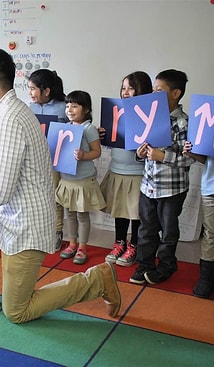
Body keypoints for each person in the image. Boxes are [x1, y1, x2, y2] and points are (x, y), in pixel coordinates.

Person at [0, 48, 120, 324]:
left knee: (17, 311)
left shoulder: (10, 118)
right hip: (7, 214)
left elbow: (1, 189)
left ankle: (96, 280)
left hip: (26, 225)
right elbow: (0, 180)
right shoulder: (4, 112)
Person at [131, 69, 195, 285]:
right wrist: (141, 154)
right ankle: (145, 265)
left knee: (168, 231)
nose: (153, 94)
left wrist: (162, 156)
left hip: (172, 188)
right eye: (153, 89)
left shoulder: (185, 122)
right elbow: (142, 147)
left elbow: (190, 159)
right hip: (148, 185)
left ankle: (167, 265)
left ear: (175, 93)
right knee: (146, 229)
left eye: (159, 90)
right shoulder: (149, 116)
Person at [182, 83, 214, 304]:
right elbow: (206, 157)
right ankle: (206, 279)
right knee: (211, 235)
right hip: (212, 186)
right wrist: (194, 153)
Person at [100, 71, 152, 266]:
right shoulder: (115, 112)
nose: (126, 92)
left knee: (135, 213)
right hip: (117, 170)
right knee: (120, 211)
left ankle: (134, 245)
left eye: (131, 88)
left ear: (143, 90)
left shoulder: (149, 115)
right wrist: (102, 135)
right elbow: (112, 142)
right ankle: (119, 242)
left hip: (137, 173)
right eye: (123, 88)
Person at [56, 90, 105, 265]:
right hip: (67, 179)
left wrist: (83, 155)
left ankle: (82, 247)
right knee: (69, 214)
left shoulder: (89, 128)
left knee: (82, 216)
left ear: (86, 109)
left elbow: (97, 152)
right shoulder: (65, 127)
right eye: (67, 106)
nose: (69, 109)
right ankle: (72, 243)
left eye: (75, 106)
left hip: (83, 180)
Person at [28, 69, 68, 250]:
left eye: (33, 89)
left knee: (54, 196)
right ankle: (38, 230)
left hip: (55, 160)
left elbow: (75, 128)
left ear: (46, 90)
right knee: (35, 195)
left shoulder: (63, 107)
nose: (30, 93)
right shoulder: (31, 107)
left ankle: (57, 231)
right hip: (34, 160)